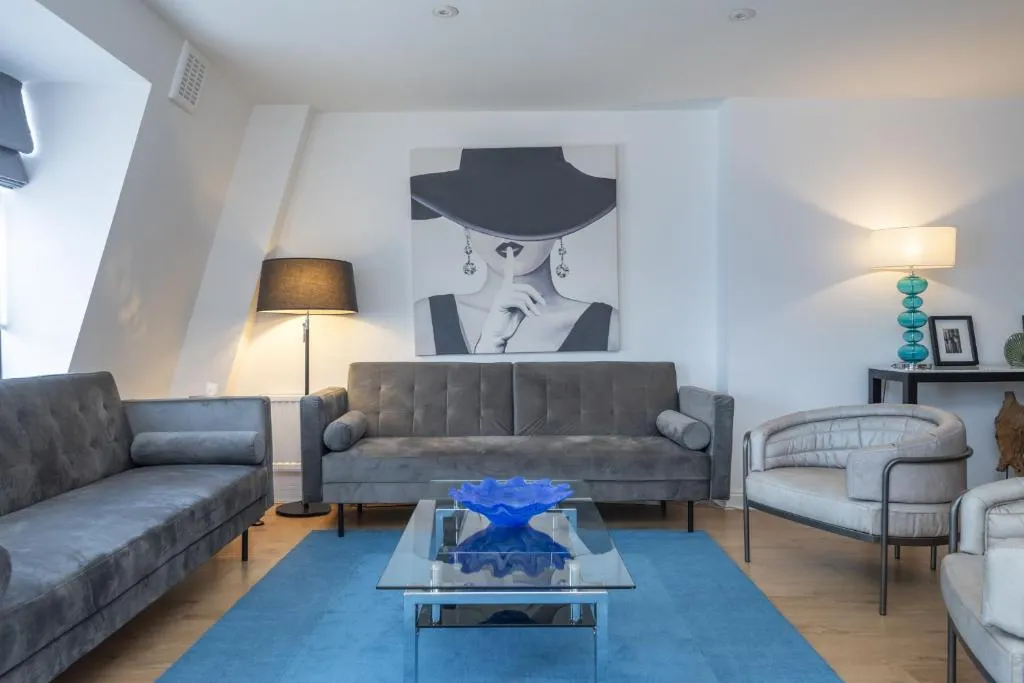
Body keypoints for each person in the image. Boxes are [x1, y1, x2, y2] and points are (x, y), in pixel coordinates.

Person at [410, 146, 619, 355]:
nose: (506, 233)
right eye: (486, 214)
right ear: (465, 228)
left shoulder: (610, 327)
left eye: (528, 213)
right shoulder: (426, 318)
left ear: (564, 226)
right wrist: (490, 343)